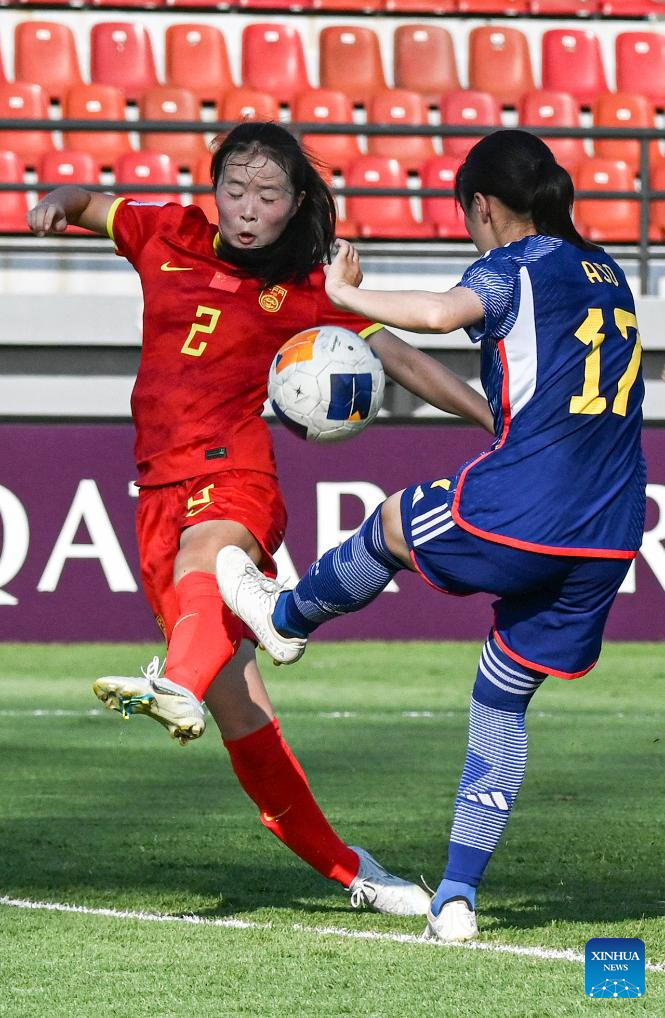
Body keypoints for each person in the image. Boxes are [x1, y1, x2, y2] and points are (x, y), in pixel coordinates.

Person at [27, 121, 492, 915]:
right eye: (234, 189)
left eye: (267, 195)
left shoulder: (312, 288)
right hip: (156, 494)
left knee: (205, 566)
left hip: (235, 473)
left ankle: (179, 671)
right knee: (242, 713)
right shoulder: (165, 231)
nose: (246, 207)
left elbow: (404, 360)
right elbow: (86, 202)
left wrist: (493, 421)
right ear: (213, 190)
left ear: (296, 203)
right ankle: (358, 875)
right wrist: (54, 202)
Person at [217, 129, 646, 942]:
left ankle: (287, 618)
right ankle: (456, 897)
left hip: (526, 502)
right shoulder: (608, 270)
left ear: (481, 207)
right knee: (499, 700)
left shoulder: (511, 265)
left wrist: (348, 296)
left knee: (390, 523)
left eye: (465, 214)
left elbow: (441, 313)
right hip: (609, 526)